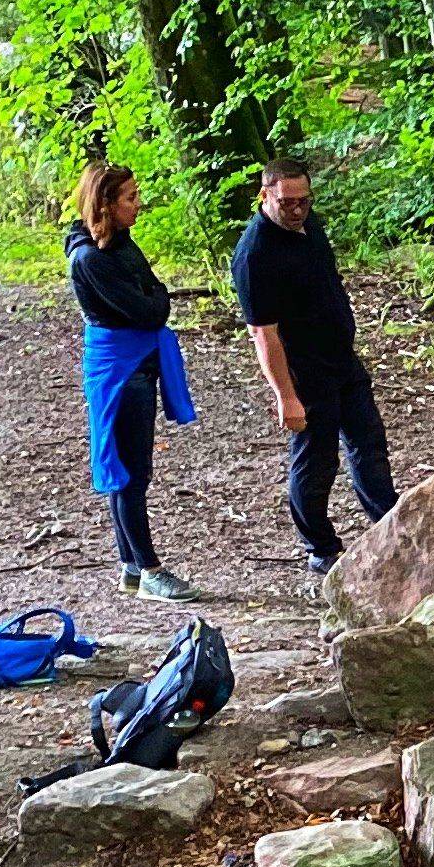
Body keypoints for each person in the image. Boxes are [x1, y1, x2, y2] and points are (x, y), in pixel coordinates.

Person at [230, 157, 397, 575]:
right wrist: (286, 396)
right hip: (305, 371)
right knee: (317, 460)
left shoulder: (311, 228)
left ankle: (391, 525)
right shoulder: (256, 254)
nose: (298, 209)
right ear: (265, 196)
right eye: (287, 202)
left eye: (304, 200)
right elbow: (263, 334)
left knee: (369, 445)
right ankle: (320, 547)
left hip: (342, 360)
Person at [67, 161, 199, 602]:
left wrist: (154, 297)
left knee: (131, 469)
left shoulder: (119, 243)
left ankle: (129, 565)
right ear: (105, 203)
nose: (138, 205)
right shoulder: (90, 259)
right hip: (120, 371)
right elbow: (152, 309)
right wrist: (154, 299)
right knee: (130, 473)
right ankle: (149, 569)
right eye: (130, 198)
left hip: (140, 360)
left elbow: (154, 293)